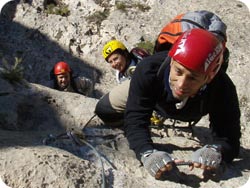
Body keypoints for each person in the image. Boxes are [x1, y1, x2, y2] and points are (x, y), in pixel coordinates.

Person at [124, 28, 241, 179]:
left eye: (192, 78)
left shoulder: (223, 88)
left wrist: (216, 150)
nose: (181, 84)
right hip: (150, 92)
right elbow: (134, 119)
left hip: (170, 102)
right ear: (171, 61)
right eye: (178, 71)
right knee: (105, 109)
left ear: (208, 78)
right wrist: (146, 152)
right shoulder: (148, 69)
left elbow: (230, 138)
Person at [95, 40, 150, 126]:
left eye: (116, 59)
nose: (114, 64)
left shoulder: (140, 64)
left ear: (125, 54)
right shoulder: (119, 75)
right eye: (110, 62)